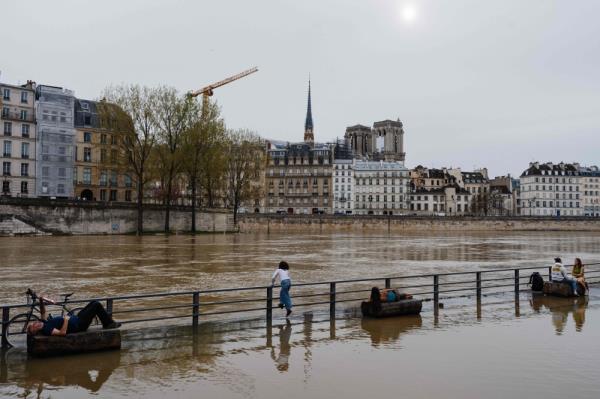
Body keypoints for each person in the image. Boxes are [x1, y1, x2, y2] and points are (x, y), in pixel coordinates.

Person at [26, 295, 121, 336]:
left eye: (32, 324)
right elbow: (62, 333)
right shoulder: (47, 329)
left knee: (94, 302)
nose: (34, 324)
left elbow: (42, 312)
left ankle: (107, 323)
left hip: (77, 318)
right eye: (33, 327)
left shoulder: (43, 322)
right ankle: (108, 324)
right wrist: (66, 320)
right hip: (79, 325)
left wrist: (42, 300)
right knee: (96, 305)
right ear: (36, 331)